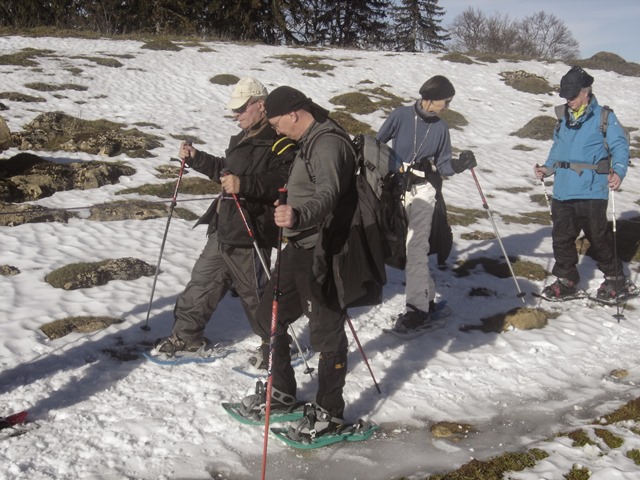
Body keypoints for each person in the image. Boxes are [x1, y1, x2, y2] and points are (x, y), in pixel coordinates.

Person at [239, 86, 357, 440]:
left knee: (326, 331)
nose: (274, 129)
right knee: (268, 316)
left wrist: (298, 214)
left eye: (275, 122)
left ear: (293, 113)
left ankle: (330, 412)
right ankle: (284, 392)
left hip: (324, 250)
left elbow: (329, 193)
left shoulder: (328, 143)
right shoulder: (307, 141)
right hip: (297, 247)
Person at [155, 77, 296, 355]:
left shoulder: (278, 138)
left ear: (261, 105)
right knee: (202, 283)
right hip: (225, 225)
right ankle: (186, 337)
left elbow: (283, 179)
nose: (236, 114)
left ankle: (277, 347)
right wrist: (197, 158)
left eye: (241, 108)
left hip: (250, 229)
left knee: (255, 295)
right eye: (234, 108)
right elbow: (227, 172)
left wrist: (243, 185)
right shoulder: (246, 136)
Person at [376, 75, 476, 333]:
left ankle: (417, 310)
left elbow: (443, 165)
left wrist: (459, 164)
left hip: (425, 189)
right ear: (430, 98)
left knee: (416, 248)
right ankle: (427, 297)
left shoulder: (441, 127)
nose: (448, 106)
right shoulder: (400, 115)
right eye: (446, 101)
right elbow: (378, 146)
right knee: (406, 248)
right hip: (397, 189)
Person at [534, 66, 630, 300]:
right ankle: (566, 279)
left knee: (597, 237)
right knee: (561, 237)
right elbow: (557, 151)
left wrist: (618, 171)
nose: (569, 100)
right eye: (566, 96)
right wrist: (546, 169)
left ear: (585, 92)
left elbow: (620, 146)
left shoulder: (604, 117)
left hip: (592, 189)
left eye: (573, 96)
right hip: (563, 190)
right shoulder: (563, 119)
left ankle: (616, 279)